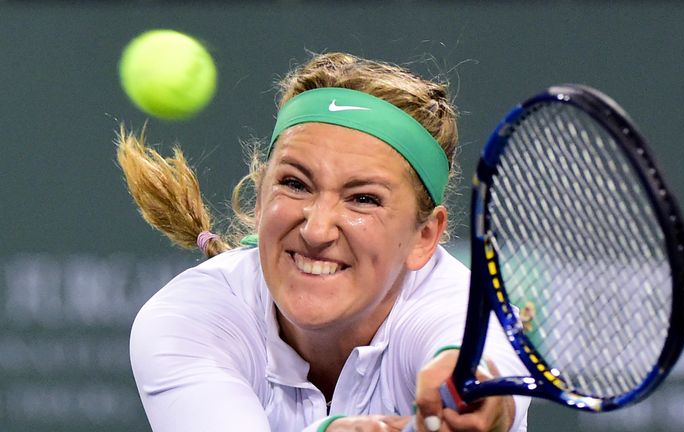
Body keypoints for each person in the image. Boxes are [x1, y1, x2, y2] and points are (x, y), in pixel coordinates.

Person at [118, 52, 530, 432]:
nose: (316, 231)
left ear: (425, 237)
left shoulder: (462, 309)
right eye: (295, 184)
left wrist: (470, 387)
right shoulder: (190, 317)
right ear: (260, 200)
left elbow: (477, 359)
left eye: (363, 199)